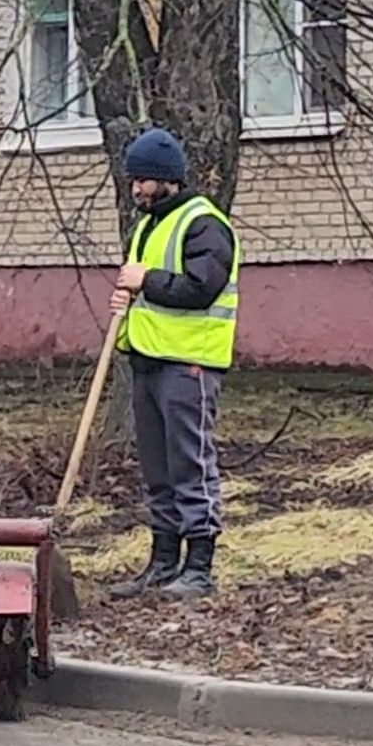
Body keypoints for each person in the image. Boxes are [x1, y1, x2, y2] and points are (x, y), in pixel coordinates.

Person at [105, 127, 240, 602]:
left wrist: (148, 279)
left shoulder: (204, 223)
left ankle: (199, 567)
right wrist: (129, 295)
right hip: (148, 360)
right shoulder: (148, 224)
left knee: (190, 465)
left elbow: (200, 287)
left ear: (169, 179)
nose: (137, 188)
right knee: (158, 469)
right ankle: (162, 563)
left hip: (189, 364)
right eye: (133, 179)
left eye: (144, 179)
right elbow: (150, 288)